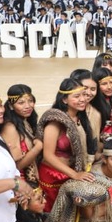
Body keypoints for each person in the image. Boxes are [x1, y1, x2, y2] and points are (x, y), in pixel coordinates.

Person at [37, 79, 95, 210]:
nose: (82, 99)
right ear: (64, 99)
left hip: (69, 174)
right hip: (53, 178)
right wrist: (74, 174)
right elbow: (48, 155)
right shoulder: (55, 122)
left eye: (84, 95)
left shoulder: (80, 118)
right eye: (77, 96)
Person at [0, 84, 42, 182]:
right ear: (11, 106)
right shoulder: (10, 128)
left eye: (30, 101)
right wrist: (38, 147)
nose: (28, 106)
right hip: (22, 184)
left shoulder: (25, 121)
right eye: (21, 103)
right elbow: (16, 167)